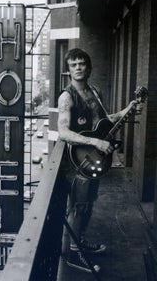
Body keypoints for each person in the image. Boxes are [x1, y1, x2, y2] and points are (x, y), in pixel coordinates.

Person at [57, 48, 141, 273]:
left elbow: (104, 121)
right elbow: (63, 133)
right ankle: (74, 255)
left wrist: (127, 110)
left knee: (88, 206)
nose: (77, 68)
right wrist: (96, 143)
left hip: (95, 158)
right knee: (79, 206)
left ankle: (80, 242)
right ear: (68, 69)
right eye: (73, 64)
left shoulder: (95, 91)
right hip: (77, 162)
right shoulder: (66, 97)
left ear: (89, 67)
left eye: (81, 63)